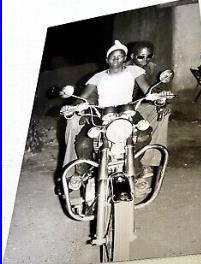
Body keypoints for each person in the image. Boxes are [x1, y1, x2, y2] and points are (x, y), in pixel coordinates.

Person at [62, 40, 158, 190]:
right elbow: (84, 97)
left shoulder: (134, 71)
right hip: (103, 113)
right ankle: (81, 172)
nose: (116, 58)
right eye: (113, 56)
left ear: (125, 58)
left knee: (143, 135)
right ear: (107, 59)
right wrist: (72, 107)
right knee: (84, 142)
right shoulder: (98, 77)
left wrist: (158, 96)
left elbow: (147, 89)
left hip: (128, 111)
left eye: (120, 56)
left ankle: (136, 168)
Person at [126, 41, 174, 166]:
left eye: (148, 56)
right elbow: (147, 89)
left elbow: (153, 88)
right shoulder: (128, 68)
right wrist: (157, 97)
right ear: (132, 56)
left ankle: (151, 161)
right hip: (123, 107)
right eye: (140, 56)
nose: (145, 60)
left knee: (162, 112)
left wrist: (163, 100)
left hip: (137, 104)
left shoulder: (151, 67)